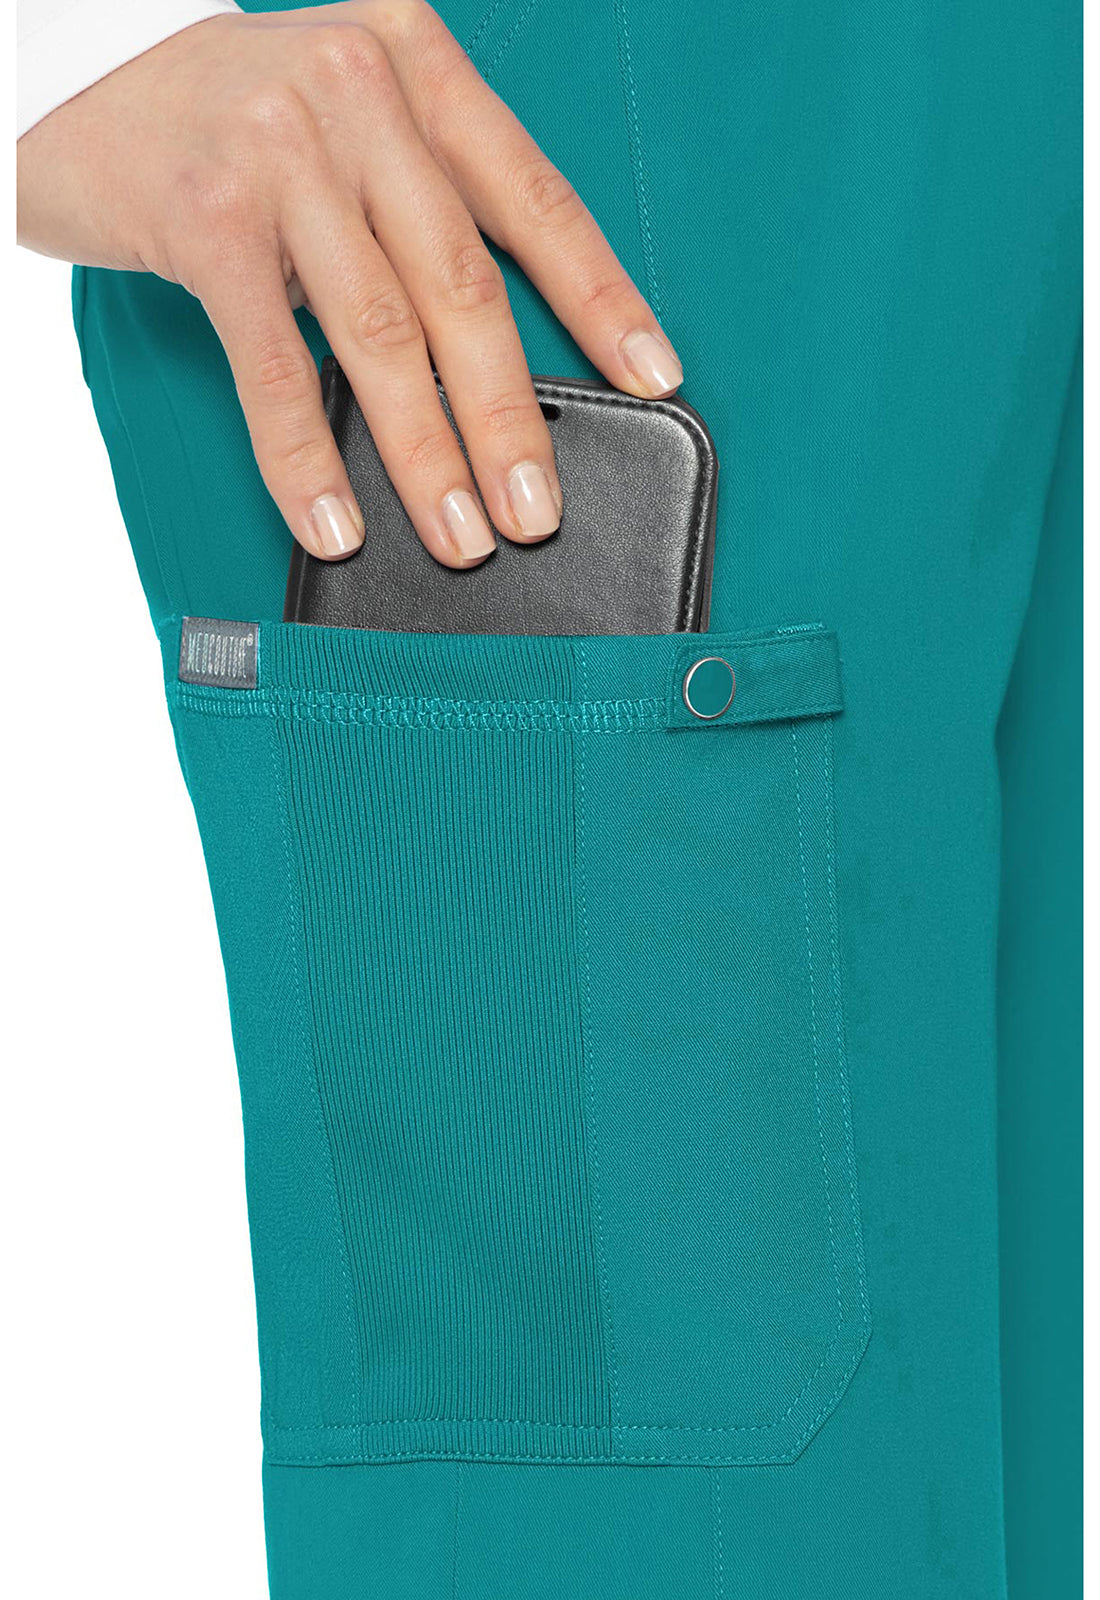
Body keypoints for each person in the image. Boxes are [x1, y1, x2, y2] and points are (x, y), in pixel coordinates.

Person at [17, 3, 1082, 1598]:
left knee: (996, 1429)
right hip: (510, 169)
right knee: (677, 1502)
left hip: (999, 137)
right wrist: (58, 84)